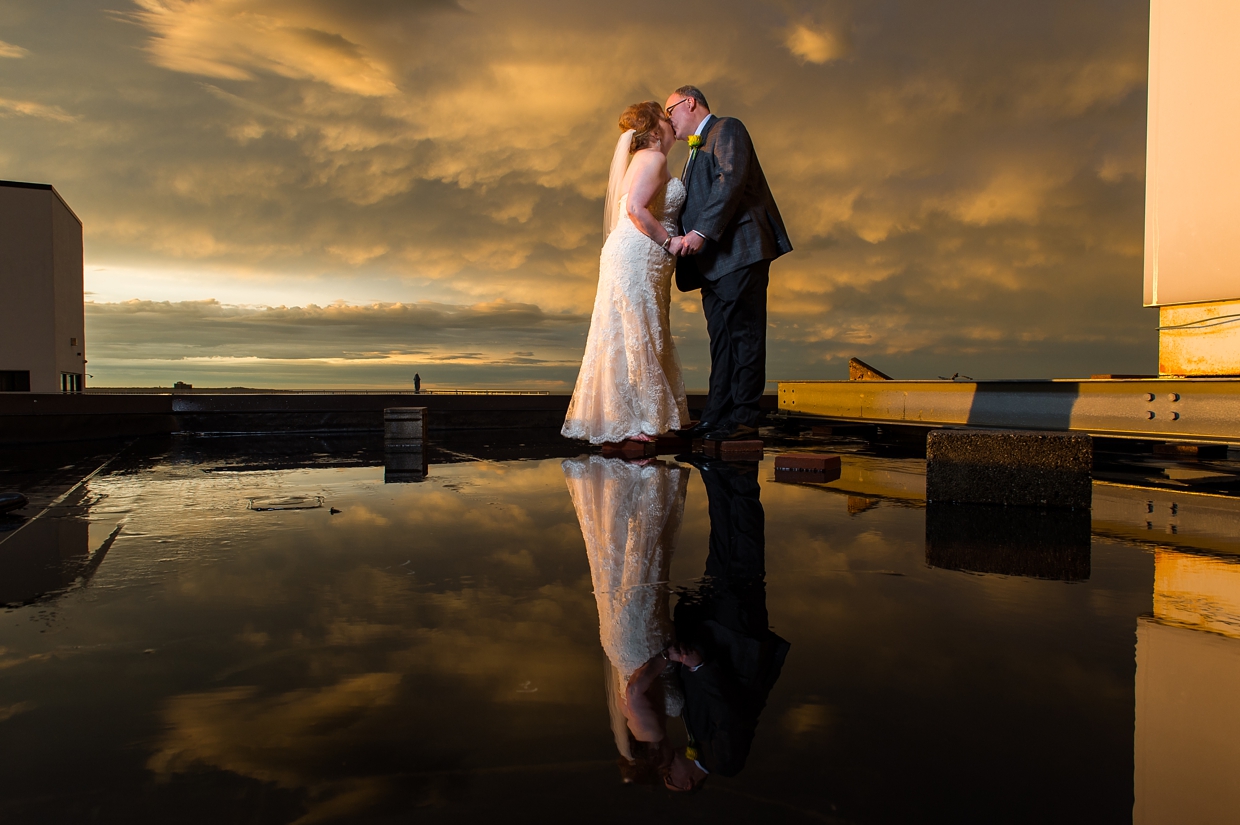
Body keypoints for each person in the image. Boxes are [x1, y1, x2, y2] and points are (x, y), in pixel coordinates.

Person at [664, 86, 793, 441]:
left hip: (739, 252)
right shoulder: (694, 149)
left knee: (745, 336)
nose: (668, 119)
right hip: (712, 265)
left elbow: (730, 180)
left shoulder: (727, 128)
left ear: (689, 102)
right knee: (721, 343)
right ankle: (717, 416)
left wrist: (701, 233)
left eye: (670, 110)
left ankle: (744, 420)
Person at [562, 102, 690, 445]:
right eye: (666, 117)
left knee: (626, 330)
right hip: (640, 251)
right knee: (636, 329)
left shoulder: (639, 161)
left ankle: (620, 420)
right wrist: (671, 242)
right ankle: (638, 420)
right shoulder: (654, 158)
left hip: (633, 253)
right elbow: (635, 208)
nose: (671, 121)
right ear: (654, 127)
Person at [662, 457, 790, 791]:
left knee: (721, 543)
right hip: (739, 636)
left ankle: (715, 472)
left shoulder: (696, 739)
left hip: (716, 627)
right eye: (669, 779)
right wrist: (699, 665)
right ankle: (742, 470)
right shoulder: (726, 763)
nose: (667, 771)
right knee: (744, 551)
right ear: (688, 783)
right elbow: (731, 715)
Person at [562, 455, 689, 780]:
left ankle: (641, 482)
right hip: (623, 644)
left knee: (643, 565)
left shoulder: (651, 734)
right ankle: (629, 483)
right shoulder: (635, 726)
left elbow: (634, 691)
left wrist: (666, 656)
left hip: (637, 643)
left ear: (654, 757)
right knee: (630, 568)